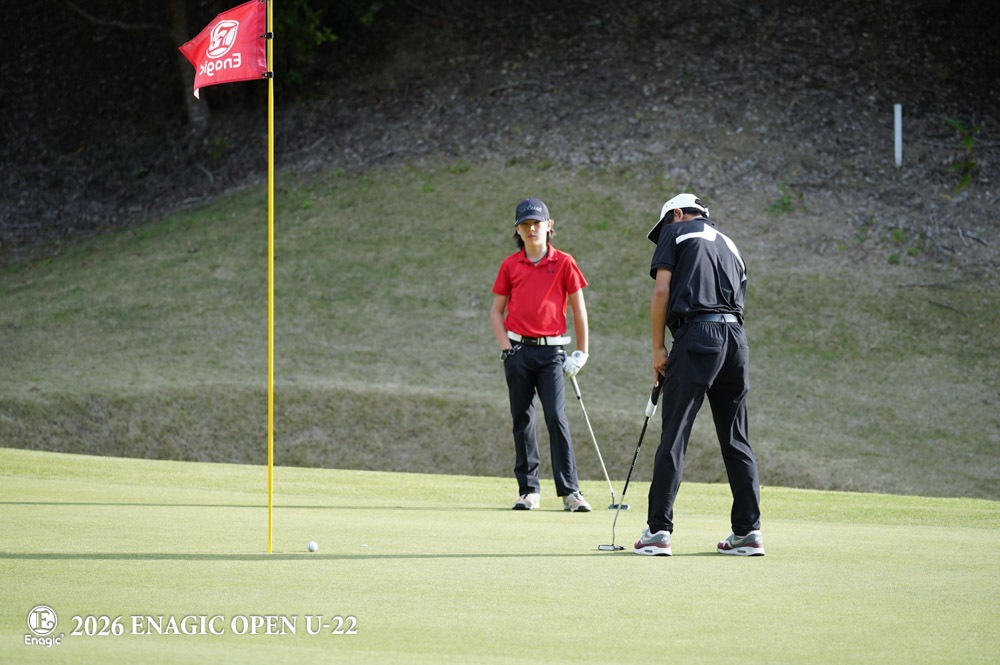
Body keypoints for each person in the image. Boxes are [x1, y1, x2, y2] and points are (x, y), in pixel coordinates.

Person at [634, 193, 764, 556]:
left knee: (674, 434)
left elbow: (662, 290)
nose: (662, 234)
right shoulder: (731, 245)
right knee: (736, 439)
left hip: (697, 337)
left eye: (665, 225)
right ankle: (748, 532)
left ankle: (658, 531)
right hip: (736, 341)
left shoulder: (676, 232)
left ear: (677, 214)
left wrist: (658, 348)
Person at [489, 197, 592, 512]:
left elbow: (579, 309)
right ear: (518, 230)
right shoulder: (510, 265)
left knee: (556, 417)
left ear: (549, 226)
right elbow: (496, 312)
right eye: (525, 224)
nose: (531, 229)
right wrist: (506, 350)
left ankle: (571, 492)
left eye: (537, 223)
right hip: (518, 351)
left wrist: (581, 353)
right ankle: (529, 491)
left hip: (552, 353)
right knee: (522, 419)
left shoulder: (564, 262)